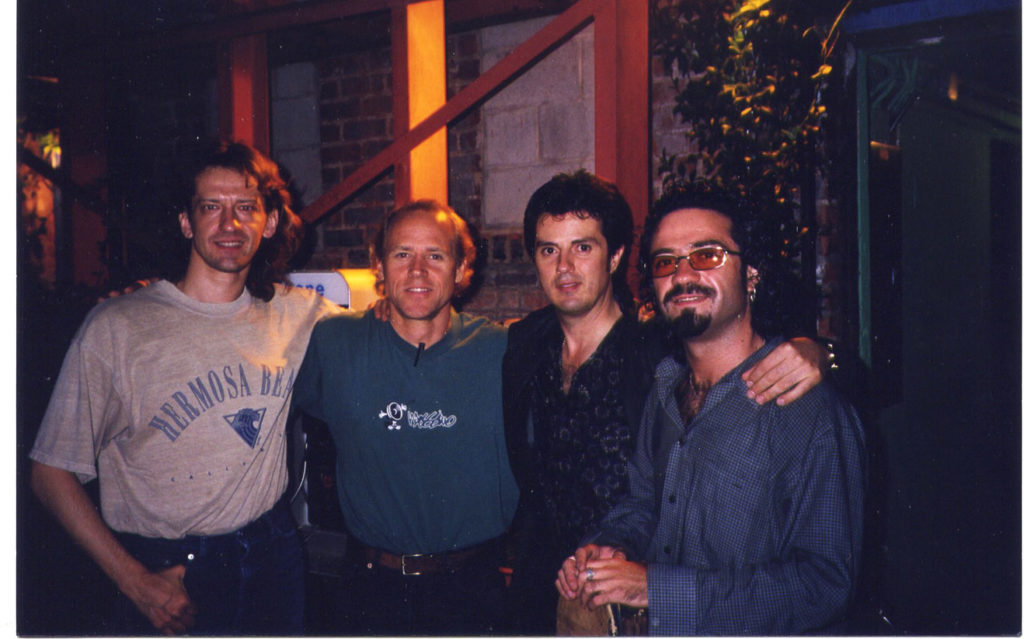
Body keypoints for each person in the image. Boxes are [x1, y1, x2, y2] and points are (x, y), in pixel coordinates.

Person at [29, 141, 339, 635]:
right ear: (186, 223)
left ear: (270, 223)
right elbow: (50, 473)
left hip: (273, 556)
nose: (230, 224)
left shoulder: (298, 311)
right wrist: (135, 581)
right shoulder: (118, 326)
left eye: (246, 207)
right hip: (170, 572)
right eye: (211, 207)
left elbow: (384, 327)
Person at [503, 171, 830, 634]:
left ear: (615, 256)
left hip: (654, 606)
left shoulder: (664, 354)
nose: (564, 268)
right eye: (548, 250)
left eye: (583, 247)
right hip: (555, 588)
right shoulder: (525, 344)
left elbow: (823, 579)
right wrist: (607, 544)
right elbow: (638, 500)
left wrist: (821, 353)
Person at [292, 199, 519, 635]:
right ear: (379, 266)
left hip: (472, 592)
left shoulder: (503, 351)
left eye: (435, 255)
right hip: (369, 591)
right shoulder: (335, 342)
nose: (418, 271)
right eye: (402, 254)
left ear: (460, 268)